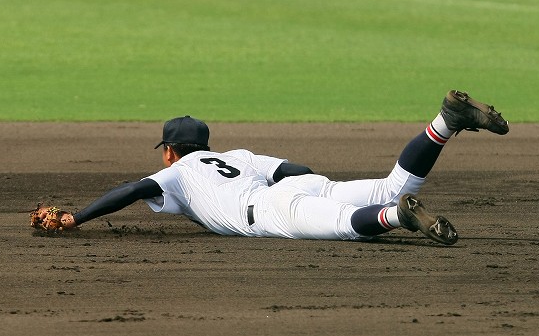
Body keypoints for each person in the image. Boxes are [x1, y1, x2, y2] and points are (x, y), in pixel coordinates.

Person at [50, 90, 508, 245]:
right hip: (305, 185)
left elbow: (131, 190)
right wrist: (315, 189)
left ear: (170, 150)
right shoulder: (237, 156)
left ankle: (397, 217)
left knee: (350, 226)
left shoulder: (178, 173)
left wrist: (76, 217)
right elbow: (296, 167)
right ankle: (446, 122)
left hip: (270, 212)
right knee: (390, 185)